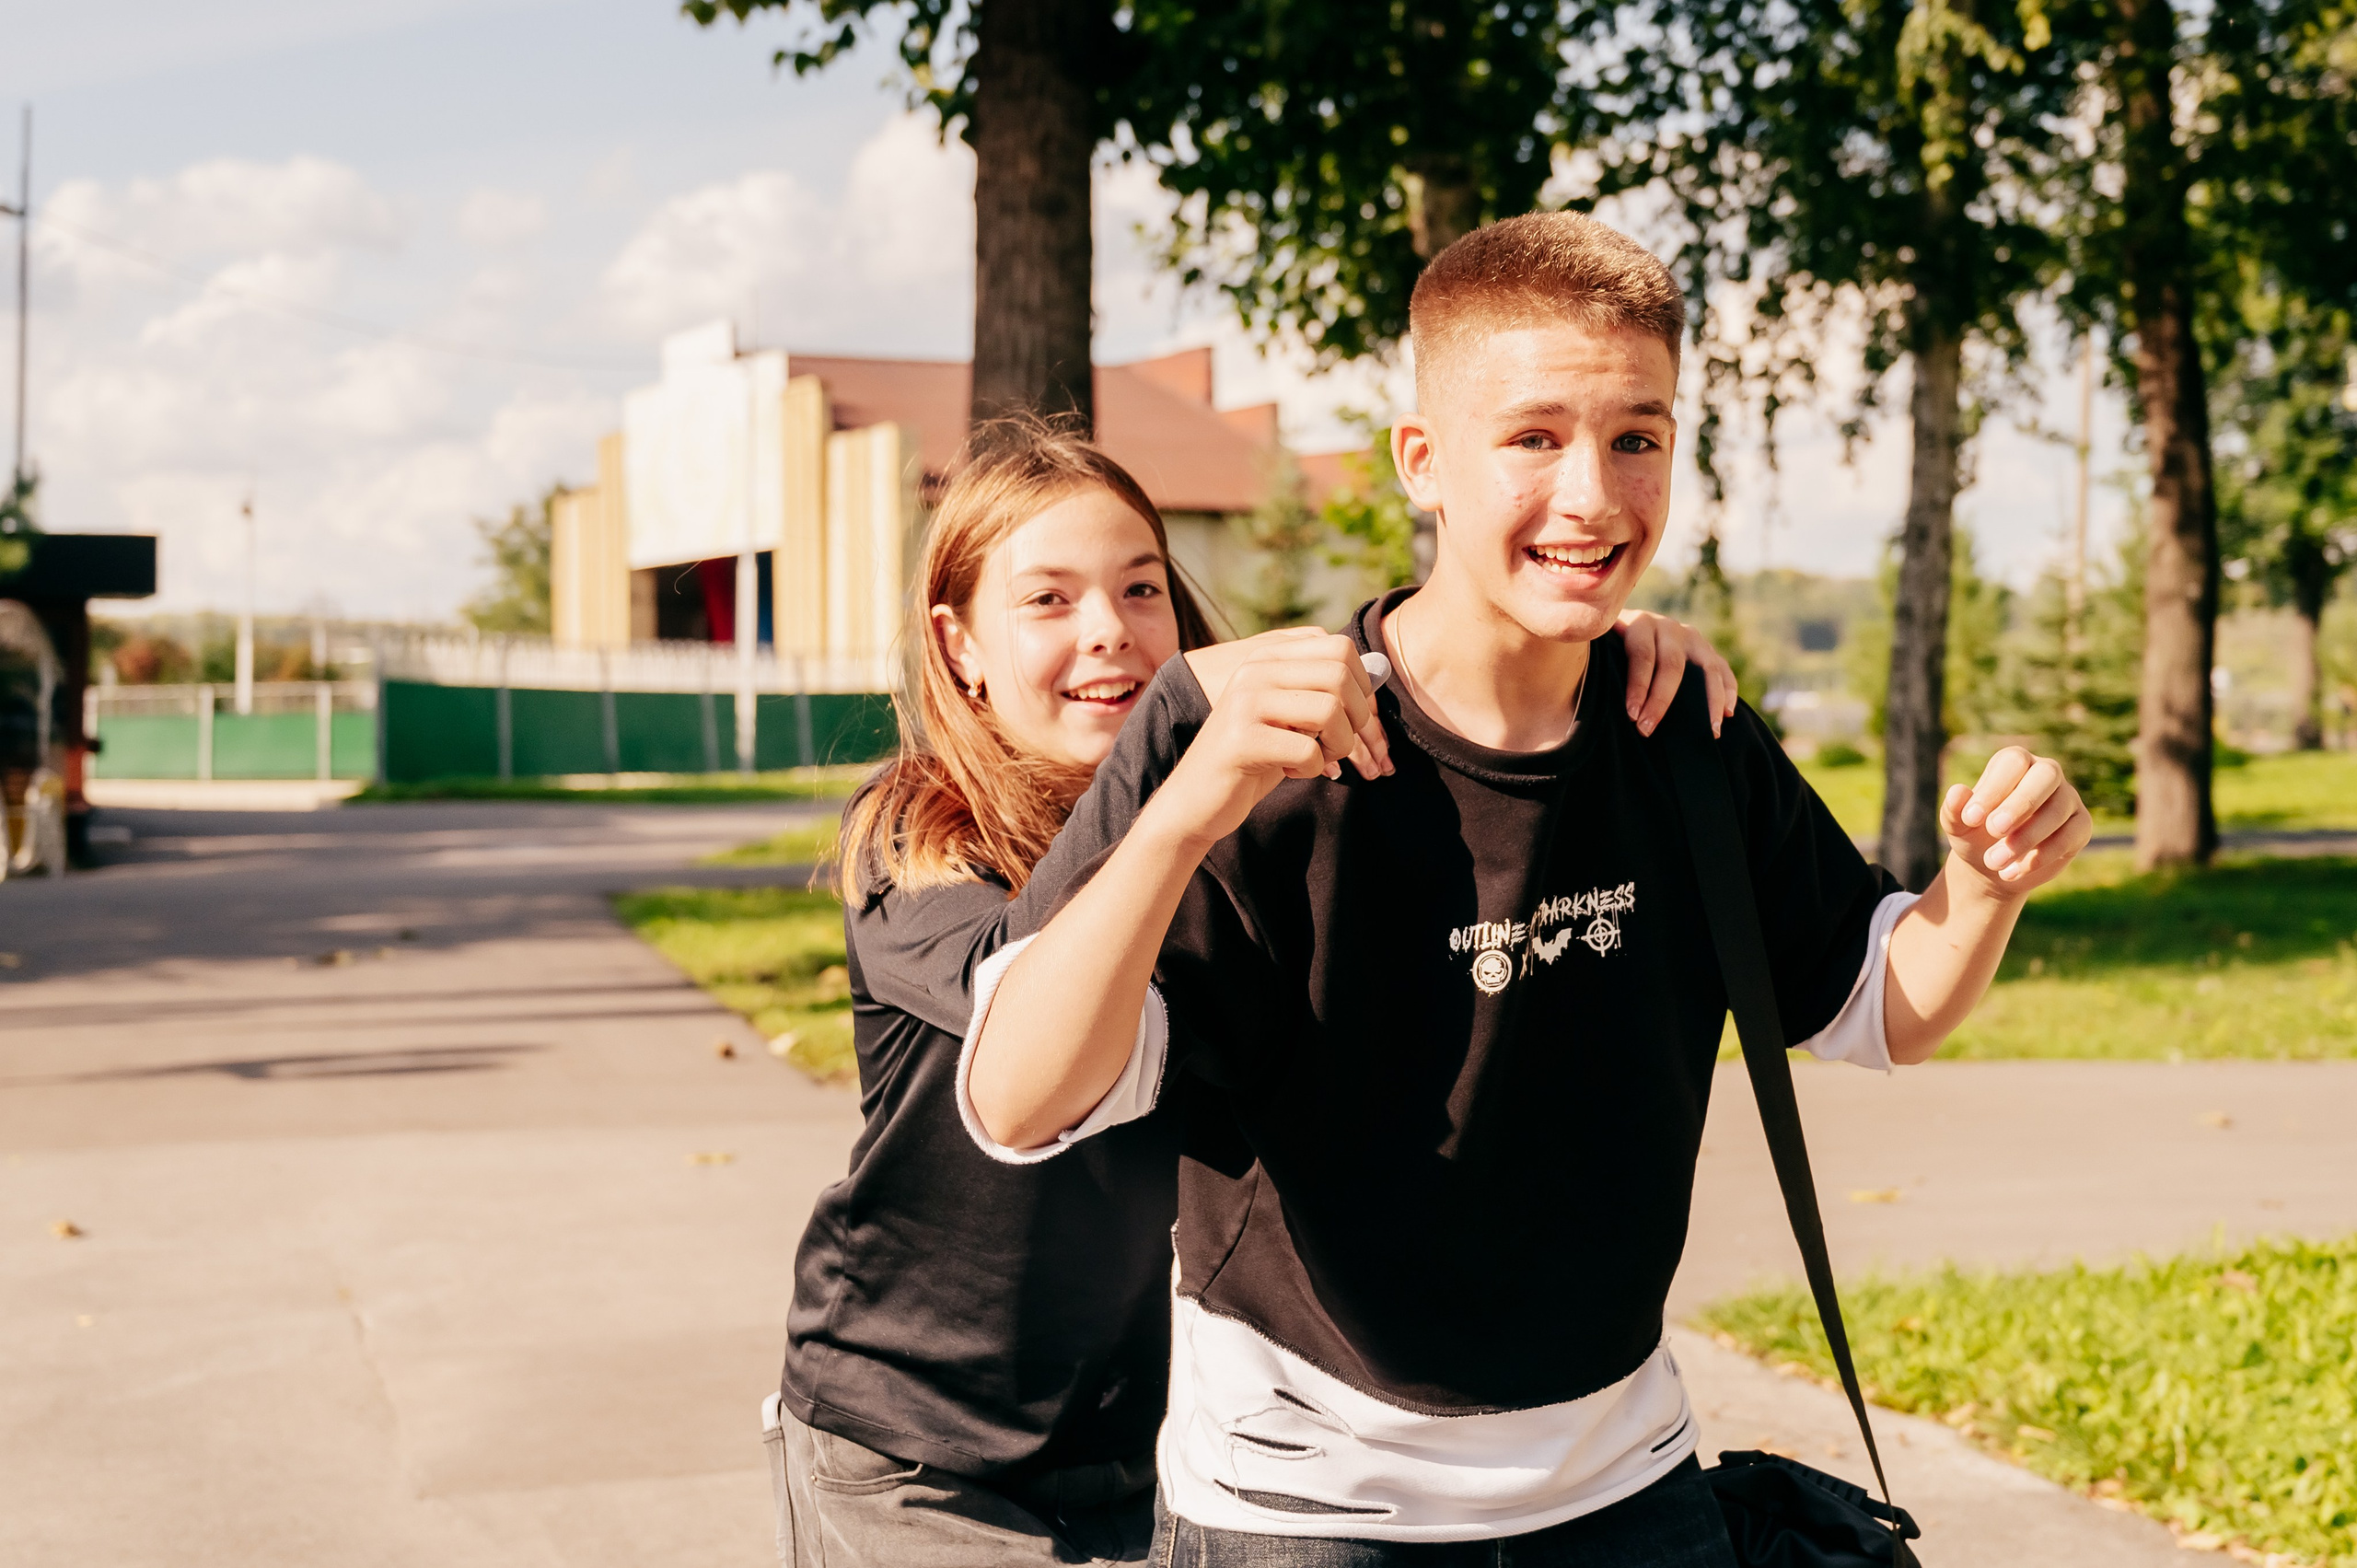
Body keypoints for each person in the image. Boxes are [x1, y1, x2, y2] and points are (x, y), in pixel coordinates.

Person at [965, 214, 2095, 1565]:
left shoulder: (1682, 726)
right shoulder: (1260, 745)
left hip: (1628, 1493)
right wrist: (1185, 810)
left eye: (1637, 437)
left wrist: (1986, 880)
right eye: (1533, 437)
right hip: (1310, 1513)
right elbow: (1015, 1101)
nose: (1594, 496)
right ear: (1422, 460)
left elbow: (1877, 1003)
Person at [765, 417, 1740, 1567]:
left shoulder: (1232, 809)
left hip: (1154, 1441)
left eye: (1141, 589)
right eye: (1048, 600)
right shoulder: (915, 836)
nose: (1109, 631)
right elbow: (1014, 996)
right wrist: (1177, 717)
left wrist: (1586, 646)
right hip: (920, 1448)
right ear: (958, 642)